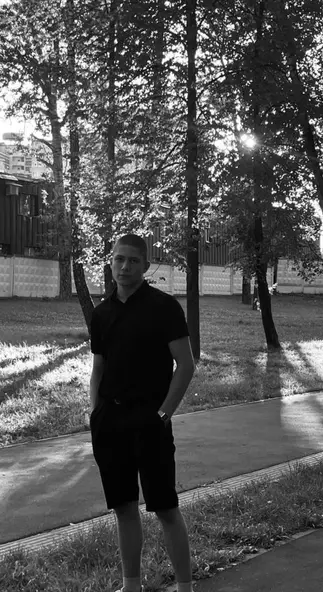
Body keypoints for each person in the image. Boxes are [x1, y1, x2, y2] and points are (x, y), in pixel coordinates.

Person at [89, 233, 196, 592]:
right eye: (119, 259)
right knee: (123, 507)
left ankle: (185, 587)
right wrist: (95, 413)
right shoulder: (102, 313)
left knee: (165, 508)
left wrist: (163, 415)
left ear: (145, 266)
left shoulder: (164, 308)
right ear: (111, 262)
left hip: (150, 421)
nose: (125, 267)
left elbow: (185, 366)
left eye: (133, 261)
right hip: (110, 422)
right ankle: (130, 586)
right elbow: (98, 369)